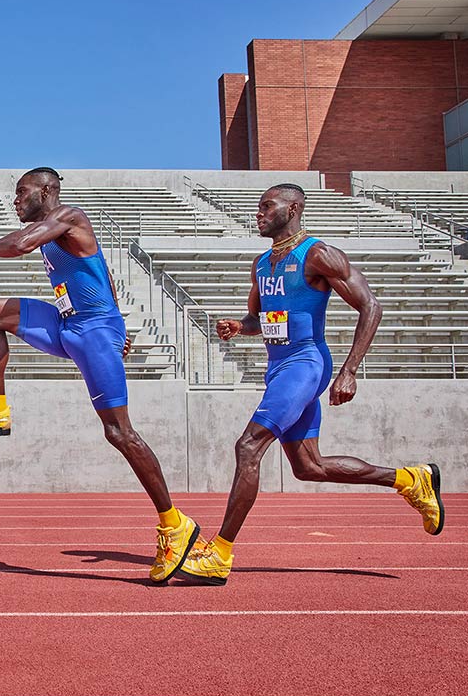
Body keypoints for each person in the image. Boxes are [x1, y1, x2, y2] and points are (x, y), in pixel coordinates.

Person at [0, 167, 199, 582]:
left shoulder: (71, 217)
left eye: (22, 193)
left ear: (47, 191)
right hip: (67, 324)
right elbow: (106, 276)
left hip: (94, 331)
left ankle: (174, 523)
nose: (15, 201)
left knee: (119, 433)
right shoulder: (56, 231)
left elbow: (23, 243)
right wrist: (121, 323)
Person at [179, 184, 442, 585]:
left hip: (306, 364)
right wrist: (239, 326)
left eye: (267, 206)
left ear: (294, 208)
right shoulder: (262, 263)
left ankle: (219, 553)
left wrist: (350, 370)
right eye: (259, 207)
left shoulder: (318, 254)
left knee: (248, 446)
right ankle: (410, 479)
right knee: (309, 467)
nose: (259, 213)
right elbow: (259, 320)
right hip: (278, 366)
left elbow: (371, 305)